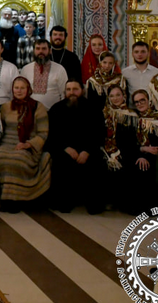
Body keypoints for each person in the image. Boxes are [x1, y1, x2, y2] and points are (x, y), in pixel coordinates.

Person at [45, 79, 104, 214]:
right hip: (64, 149)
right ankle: (64, 202)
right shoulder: (56, 109)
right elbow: (52, 135)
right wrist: (66, 148)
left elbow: (99, 133)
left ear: (82, 91)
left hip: (88, 150)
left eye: (75, 89)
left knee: (96, 163)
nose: (72, 92)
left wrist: (87, 151)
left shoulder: (93, 108)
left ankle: (93, 204)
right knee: (62, 162)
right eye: (68, 89)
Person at [0, 76, 51, 213]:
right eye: (16, 88)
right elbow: (0, 130)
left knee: (18, 158)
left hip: (29, 145)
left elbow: (43, 133)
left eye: (22, 88)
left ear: (28, 90)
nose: (19, 91)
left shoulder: (38, 107)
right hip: (7, 143)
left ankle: (19, 199)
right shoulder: (5, 107)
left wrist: (28, 144)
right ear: (12, 89)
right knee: (2, 157)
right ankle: (8, 199)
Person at [19, 40, 68, 109]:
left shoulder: (59, 69)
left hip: (53, 112)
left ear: (50, 51)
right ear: (34, 51)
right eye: (38, 48)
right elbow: (21, 93)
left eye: (44, 49)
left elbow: (64, 94)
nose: (40, 51)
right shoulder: (25, 69)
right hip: (31, 112)